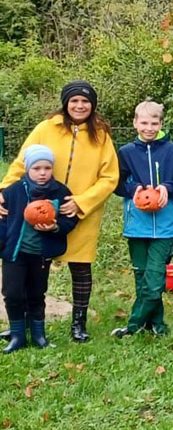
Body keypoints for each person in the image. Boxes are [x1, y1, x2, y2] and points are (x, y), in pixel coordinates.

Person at [0, 80, 118, 343]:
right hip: (38, 208)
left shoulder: (100, 136)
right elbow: (22, 163)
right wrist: (3, 190)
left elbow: (110, 177)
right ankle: (26, 323)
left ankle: (79, 323)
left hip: (79, 211)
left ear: (93, 105)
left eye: (85, 101)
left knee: (80, 267)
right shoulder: (46, 128)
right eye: (74, 100)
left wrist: (81, 201)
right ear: (65, 103)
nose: (79, 105)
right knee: (32, 268)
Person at [111, 101, 173, 337]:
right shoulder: (125, 152)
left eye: (154, 123)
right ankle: (156, 324)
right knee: (141, 274)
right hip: (136, 224)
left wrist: (168, 187)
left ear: (161, 124)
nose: (149, 128)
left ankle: (133, 326)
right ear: (135, 123)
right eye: (144, 122)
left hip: (165, 225)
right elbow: (117, 183)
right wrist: (133, 188)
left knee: (154, 280)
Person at [1, 145, 79, 352]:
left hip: (41, 255)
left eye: (47, 168)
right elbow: (2, 219)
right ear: (27, 169)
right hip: (15, 254)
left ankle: (39, 335)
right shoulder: (14, 191)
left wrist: (56, 227)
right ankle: (17, 335)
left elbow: (70, 219)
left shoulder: (60, 192)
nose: (42, 173)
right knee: (13, 293)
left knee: (37, 293)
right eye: (36, 168)